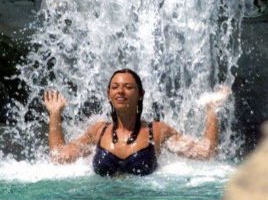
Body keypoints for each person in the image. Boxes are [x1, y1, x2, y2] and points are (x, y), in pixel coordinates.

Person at [44, 68, 230, 176]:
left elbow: (206, 152)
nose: (120, 91)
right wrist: (54, 114)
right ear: (108, 95)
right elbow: (59, 157)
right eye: (115, 87)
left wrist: (212, 110)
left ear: (140, 94)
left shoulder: (156, 131)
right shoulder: (99, 131)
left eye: (128, 87)